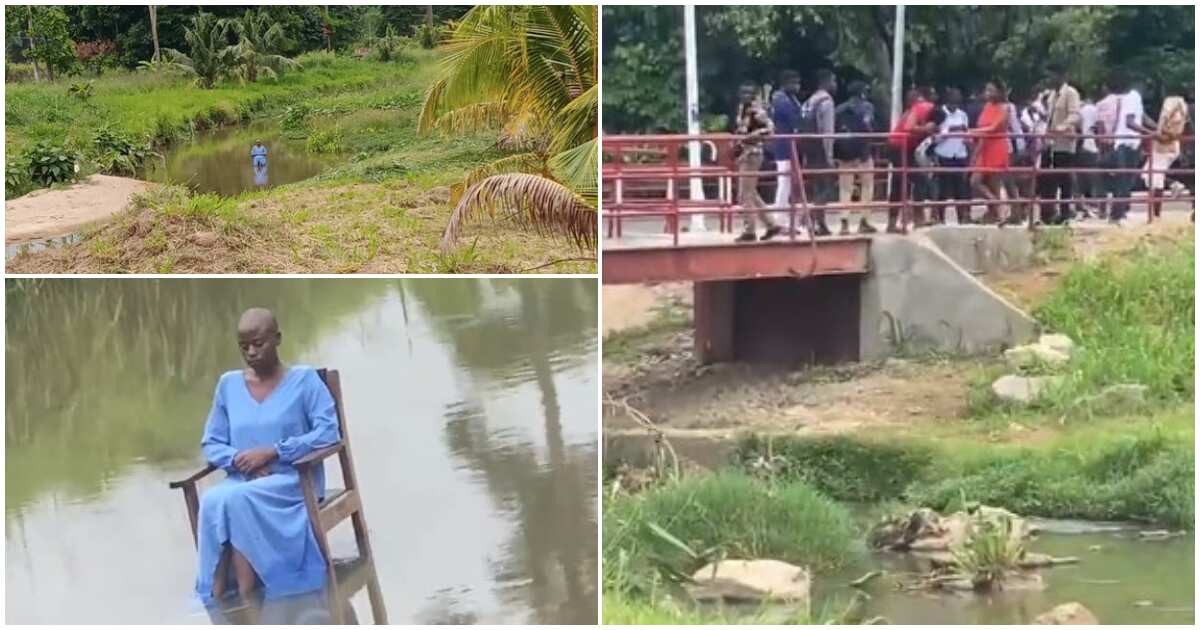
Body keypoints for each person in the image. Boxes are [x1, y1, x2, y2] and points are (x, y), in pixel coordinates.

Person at [194, 308, 341, 616]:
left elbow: (328, 432)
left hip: (292, 479)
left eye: (258, 343)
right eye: (243, 346)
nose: (250, 352)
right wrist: (238, 459)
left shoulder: (303, 382)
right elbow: (211, 442)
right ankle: (215, 591)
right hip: (243, 478)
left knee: (235, 498)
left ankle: (248, 600)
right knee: (213, 499)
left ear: (277, 339)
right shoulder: (228, 385)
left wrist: (274, 451)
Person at [733, 80, 782, 242]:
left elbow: (770, 129)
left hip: (753, 153)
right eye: (743, 93)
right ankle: (771, 224)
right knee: (751, 193)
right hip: (744, 153)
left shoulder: (757, 111)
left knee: (744, 194)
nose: (746, 96)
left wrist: (754, 135)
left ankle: (750, 230)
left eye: (749, 93)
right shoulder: (742, 109)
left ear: (754, 95)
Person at [885, 88, 937, 232]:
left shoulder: (915, 111)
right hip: (899, 147)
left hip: (900, 147)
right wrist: (925, 129)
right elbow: (909, 128)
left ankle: (894, 222)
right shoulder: (923, 108)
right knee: (920, 181)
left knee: (900, 183)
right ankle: (918, 217)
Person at [1038, 62, 1082, 224]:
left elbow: (1075, 115)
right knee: (1046, 179)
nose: (1050, 79)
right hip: (1050, 142)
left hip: (1064, 142)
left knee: (1064, 179)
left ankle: (1064, 214)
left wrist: (1062, 128)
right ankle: (1047, 213)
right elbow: (1049, 116)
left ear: (1062, 76)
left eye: (1053, 75)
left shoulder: (1070, 93)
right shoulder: (1051, 95)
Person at [834, 80, 879, 234]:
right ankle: (864, 220)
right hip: (863, 152)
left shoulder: (839, 109)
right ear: (862, 92)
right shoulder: (867, 107)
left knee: (845, 188)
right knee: (867, 185)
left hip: (844, 153)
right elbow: (868, 125)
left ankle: (844, 222)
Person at [1106, 72, 1150, 224]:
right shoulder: (1134, 98)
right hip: (1126, 143)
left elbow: (1143, 117)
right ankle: (1117, 214)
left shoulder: (1134, 99)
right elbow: (1129, 122)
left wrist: (1158, 130)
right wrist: (1151, 133)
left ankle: (1120, 212)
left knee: (1127, 180)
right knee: (1124, 180)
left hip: (1130, 144)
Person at [799, 68, 837, 236]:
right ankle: (808, 216)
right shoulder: (826, 102)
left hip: (808, 149)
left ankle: (820, 224)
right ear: (826, 82)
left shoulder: (808, 102)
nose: (835, 85)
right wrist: (829, 157)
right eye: (833, 81)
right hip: (821, 150)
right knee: (828, 188)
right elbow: (827, 132)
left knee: (817, 188)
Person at [969, 80, 1012, 225]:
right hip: (984, 146)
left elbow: (993, 128)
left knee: (995, 182)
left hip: (997, 146)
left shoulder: (1005, 108)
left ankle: (1001, 215)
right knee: (975, 181)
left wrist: (971, 132)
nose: (987, 93)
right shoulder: (987, 106)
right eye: (986, 90)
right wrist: (975, 153)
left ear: (999, 92)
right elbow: (982, 128)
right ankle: (994, 204)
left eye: (991, 90)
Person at [930, 87, 972, 224]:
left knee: (961, 189)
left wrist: (967, 139)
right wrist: (949, 131)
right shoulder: (939, 114)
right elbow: (934, 138)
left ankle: (962, 218)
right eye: (952, 102)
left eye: (957, 103)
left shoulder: (963, 115)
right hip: (943, 154)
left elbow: (966, 135)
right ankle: (940, 218)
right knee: (942, 189)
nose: (955, 105)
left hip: (959, 155)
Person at [1146, 94, 1189, 218]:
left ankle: (1156, 214)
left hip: (1164, 148)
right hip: (1169, 147)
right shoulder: (1181, 112)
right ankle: (1172, 184)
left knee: (1155, 178)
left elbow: (1167, 134)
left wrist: (1156, 133)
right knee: (1147, 174)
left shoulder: (1171, 112)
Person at [770, 70, 804, 226]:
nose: (797, 86)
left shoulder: (790, 98)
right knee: (784, 182)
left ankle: (783, 218)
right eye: (794, 83)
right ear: (785, 83)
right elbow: (793, 119)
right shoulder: (780, 99)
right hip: (783, 145)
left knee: (788, 183)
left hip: (790, 145)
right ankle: (779, 218)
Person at [1074, 94, 1102, 217]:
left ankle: (1080, 206)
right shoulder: (1092, 109)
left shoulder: (1076, 109)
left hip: (1078, 147)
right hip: (1091, 146)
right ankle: (1094, 206)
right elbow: (1098, 126)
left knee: (1078, 179)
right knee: (1094, 178)